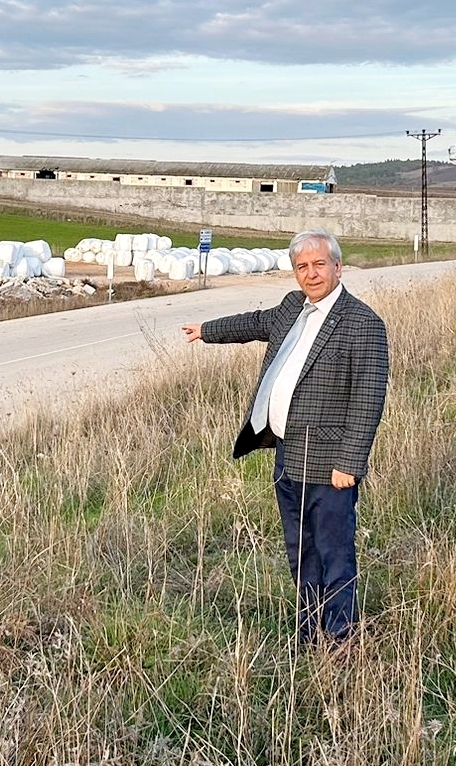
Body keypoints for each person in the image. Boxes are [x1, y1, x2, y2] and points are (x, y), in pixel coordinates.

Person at [181, 229, 388, 645]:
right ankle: (308, 632)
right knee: (300, 552)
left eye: (319, 264)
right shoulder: (293, 306)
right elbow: (253, 323)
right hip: (288, 456)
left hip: (330, 466)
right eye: (302, 266)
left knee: (334, 553)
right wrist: (206, 330)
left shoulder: (362, 323)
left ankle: (340, 640)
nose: (311, 274)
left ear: (337, 267)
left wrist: (349, 464)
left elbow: (368, 399)